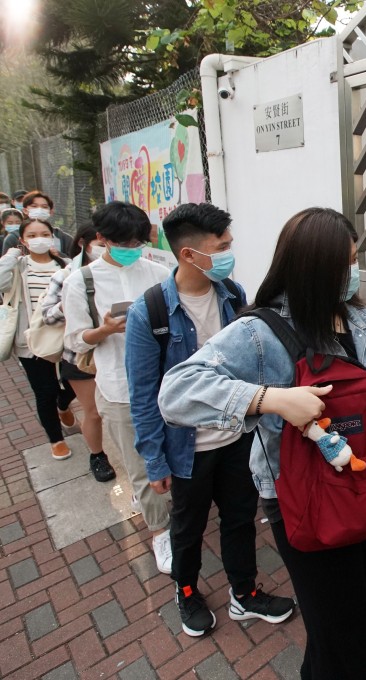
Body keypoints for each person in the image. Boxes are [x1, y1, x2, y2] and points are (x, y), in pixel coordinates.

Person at [159, 207, 366, 680]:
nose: (353, 271)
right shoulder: (260, 333)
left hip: (364, 483)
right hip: (300, 499)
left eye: (354, 258)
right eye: (345, 261)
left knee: (344, 609)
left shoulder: (362, 320)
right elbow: (176, 391)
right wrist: (269, 399)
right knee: (339, 622)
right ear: (313, 267)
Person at [125, 203, 294, 637]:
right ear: (188, 255)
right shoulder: (150, 313)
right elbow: (143, 396)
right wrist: (154, 461)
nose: (229, 254)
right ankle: (186, 592)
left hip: (237, 435)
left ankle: (245, 593)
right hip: (186, 449)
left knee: (240, 518)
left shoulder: (232, 294)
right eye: (221, 248)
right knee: (188, 526)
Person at [63, 201, 173, 572]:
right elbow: (76, 340)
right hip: (118, 387)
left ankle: (165, 508)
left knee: (170, 453)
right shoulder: (82, 281)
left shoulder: (159, 272)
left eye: (137, 242)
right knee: (140, 463)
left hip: (165, 381)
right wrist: (106, 329)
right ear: (101, 239)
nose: (132, 249)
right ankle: (160, 533)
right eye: (123, 242)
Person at [38, 223, 116, 482]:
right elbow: (48, 316)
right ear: (85, 243)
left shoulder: (124, 273)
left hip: (116, 352)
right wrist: (72, 300)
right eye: (102, 244)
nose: (106, 249)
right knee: (93, 411)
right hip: (82, 357)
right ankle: (98, 455)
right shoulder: (68, 275)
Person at [0, 218, 78, 459]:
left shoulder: (65, 265)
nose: (39, 239)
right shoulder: (17, 267)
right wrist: (10, 256)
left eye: (44, 233)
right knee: (45, 391)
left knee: (74, 384)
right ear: (22, 240)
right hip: (32, 340)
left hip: (68, 336)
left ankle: (63, 404)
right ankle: (56, 439)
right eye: (32, 235)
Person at [2, 191, 73, 255]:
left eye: (44, 207)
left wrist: (58, 255)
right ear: (25, 210)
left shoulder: (64, 239)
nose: (39, 209)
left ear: (51, 211)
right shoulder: (13, 238)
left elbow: (74, 264)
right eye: (34, 206)